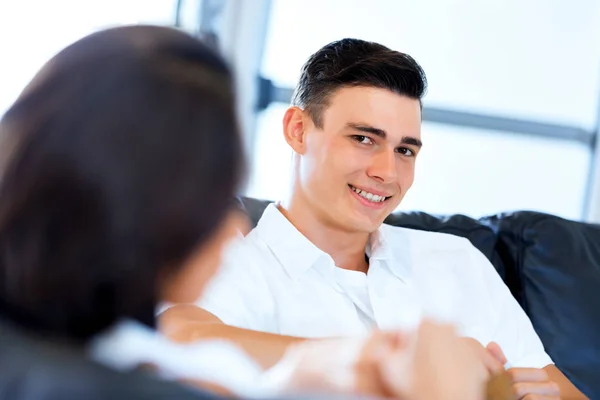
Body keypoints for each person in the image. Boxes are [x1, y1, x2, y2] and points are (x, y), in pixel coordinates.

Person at [0, 26, 493, 400]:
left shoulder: (92, 344)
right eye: (215, 199)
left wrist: (305, 372)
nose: (235, 224)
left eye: (406, 150)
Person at [160, 38, 587, 400]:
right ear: (297, 130)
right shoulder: (228, 266)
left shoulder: (457, 258)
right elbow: (179, 339)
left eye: (405, 150)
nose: (387, 173)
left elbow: (558, 390)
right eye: (364, 139)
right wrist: (395, 362)